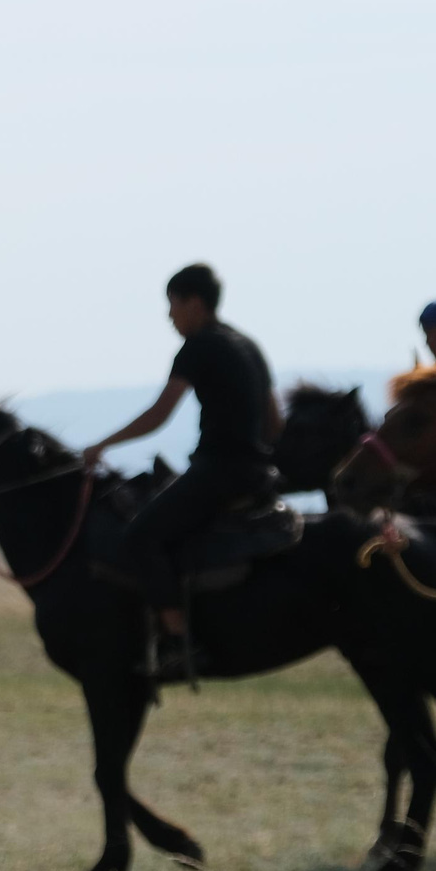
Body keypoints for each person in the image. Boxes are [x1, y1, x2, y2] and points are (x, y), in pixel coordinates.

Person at [81, 263, 283, 660]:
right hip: (258, 473)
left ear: (194, 303)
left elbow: (159, 414)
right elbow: (275, 420)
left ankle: (178, 639)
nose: (169, 315)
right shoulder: (247, 343)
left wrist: (101, 444)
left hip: (219, 471)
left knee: (140, 537)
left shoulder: (198, 347)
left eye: (172, 304)